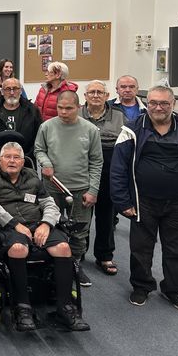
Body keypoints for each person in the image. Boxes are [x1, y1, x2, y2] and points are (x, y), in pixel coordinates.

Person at [0, 142, 90, 332]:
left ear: (23, 162)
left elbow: (49, 204)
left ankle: (65, 307)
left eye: (16, 157)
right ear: (0, 159)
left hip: (37, 224)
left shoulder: (31, 176)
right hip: (6, 226)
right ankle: (22, 308)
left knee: (63, 247)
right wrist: (16, 225)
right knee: (19, 249)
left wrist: (46, 224)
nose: (12, 161)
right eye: (7, 157)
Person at [110, 85, 178, 310]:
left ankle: (173, 289)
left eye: (164, 103)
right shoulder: (131, 130)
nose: (158, 108)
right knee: (141, 248)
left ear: (173, 104)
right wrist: (123, 202)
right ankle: (142, 287)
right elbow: (118, 169)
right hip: (143, 202)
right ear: (147, 103)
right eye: (153, 103)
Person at [35, 91, 103, 287]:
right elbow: (39, 149)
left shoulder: (90, 130)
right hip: (52, 186)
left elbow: (97, 162)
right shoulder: (47, 127)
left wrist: (93, 191)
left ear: (78, 107)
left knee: (79, 232)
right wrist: (45, 163)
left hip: (81, 188)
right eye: (60, 108)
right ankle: (53, 264)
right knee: (51, 225)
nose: (63, 112)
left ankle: (74, 265)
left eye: (69, 108)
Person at [80, 80, 125, 276]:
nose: (96, 95)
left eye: (100, 92)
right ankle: (78, 253)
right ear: (85, 96)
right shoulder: (77, 114)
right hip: (82, 170)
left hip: (109, 171)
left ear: (107, 96)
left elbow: (124, 144)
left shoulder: (118, 116)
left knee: (106, 216)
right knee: (81, 216)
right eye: (92, 92)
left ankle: (104, 255)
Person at [0, 77, 41, 159]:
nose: (12, 92)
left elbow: (39, 136)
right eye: (8, 89)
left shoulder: (32, 110)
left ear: (21, 91)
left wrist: (24, 156)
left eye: (15, 89)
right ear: (2, 91)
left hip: (26, 160)